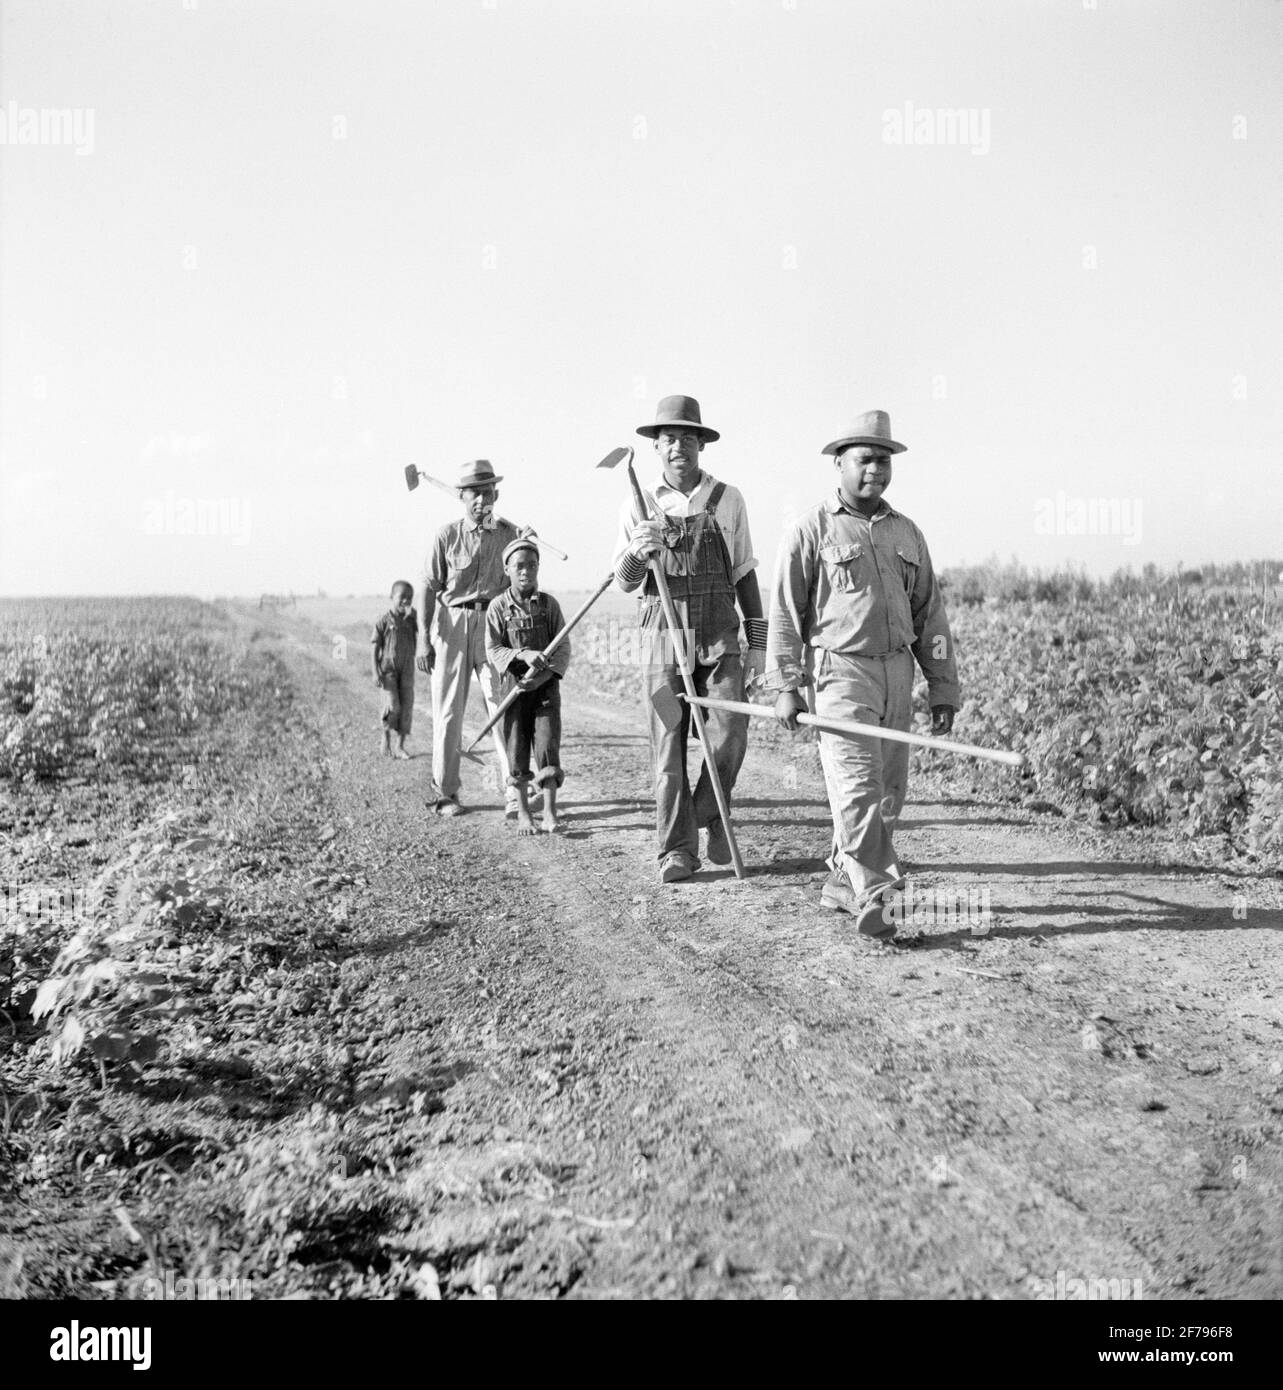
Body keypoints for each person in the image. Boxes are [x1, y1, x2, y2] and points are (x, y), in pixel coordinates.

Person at [766, 410, 960, 944]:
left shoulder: (907, 531)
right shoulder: (810, 529)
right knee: (857, 788)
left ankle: (840, 879)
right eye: (865, 459)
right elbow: (785, 613)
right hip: (839, 673)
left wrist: (941, 686)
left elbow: (930, 614)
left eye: (884, 460)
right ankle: (878, 893)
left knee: (890, 790)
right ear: (839, 464)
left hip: (897, 672)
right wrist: (786, 683)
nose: (875, 469)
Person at [612, 394, 766, 883]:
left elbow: (744, 573)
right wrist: (639, 552)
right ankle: (676, 850)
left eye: (688, 437)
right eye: (669, 439)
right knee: (669, 741)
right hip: (661, 633)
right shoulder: (638, 506)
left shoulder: (728, 499)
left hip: (720, 631)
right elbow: (625, 582)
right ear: (656, 448)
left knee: (730, 733)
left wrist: (758, 642)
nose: (679, 446)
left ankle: (709, 813)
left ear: (702, 443)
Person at [416, 460, 520, 817]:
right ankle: (446, 794)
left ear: (497, 495)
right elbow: (429, 588)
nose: (482, 500)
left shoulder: (511, 535)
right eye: (475, 493)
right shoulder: (447, 535)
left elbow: (522, 584)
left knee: (502, 706)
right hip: (452, 625)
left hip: (494, 624)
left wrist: (527, 547)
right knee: (448, 712)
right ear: (462, 496)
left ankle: (515, 791)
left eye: (488, 493)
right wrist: (422, 641)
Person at [485, 539, 570, 836]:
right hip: (514, 689)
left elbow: (563, 648)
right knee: (516, 748)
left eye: (531, 565)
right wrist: (522, 655)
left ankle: (549, 811)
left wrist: (544, 676)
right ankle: (523, 812)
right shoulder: (497, 608)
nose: (526, 572)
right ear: (507, 568)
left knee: (547, 747)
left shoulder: (549, 605)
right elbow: (493, 649)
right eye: (519, 566)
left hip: (546, 688)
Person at [371, 580, 417, 758]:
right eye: (402, 597)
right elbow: (374, 648)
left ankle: (399, 745)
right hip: (388, 670)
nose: (406, 601)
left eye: (410, 598)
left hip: (407, 670)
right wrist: (375, 672)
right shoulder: (384, 621)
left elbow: (425, 629)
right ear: (392, 597)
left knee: (406, 706)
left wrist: (413, 617)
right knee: (392, 705)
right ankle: (386, 737)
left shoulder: (412, 620)